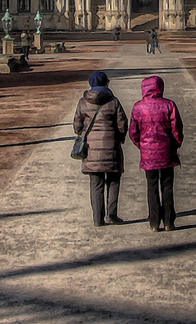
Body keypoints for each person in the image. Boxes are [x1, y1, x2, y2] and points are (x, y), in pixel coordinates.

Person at [74, 71, 129, 226]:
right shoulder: (113, 101)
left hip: (91, 149)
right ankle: (112, 214)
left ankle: (98, 218)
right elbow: (122, 124)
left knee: (95, 184)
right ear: (106, 83)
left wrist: (83, 133)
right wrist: (119, 137)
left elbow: (77, 125)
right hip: (111, 146)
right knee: (113, 181)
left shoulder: (83, 102)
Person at [130, 75, 183, 231]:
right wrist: (176, 144)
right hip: (167, 150)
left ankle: (154, 222)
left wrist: (142, 146)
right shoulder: (169, 105)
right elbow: (177, 129)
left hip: (148, 153)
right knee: (167, 186)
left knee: (151, 187)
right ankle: (168, 221)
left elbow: (133, 132)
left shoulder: (138, 107)